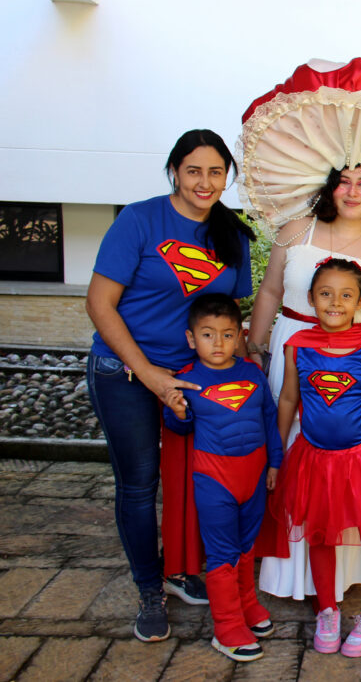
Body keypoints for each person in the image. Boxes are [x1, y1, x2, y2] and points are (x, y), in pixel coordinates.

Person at [85, 129, 256, 642]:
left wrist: (245, 374)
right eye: (193, 171)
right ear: (174, 172)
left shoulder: (234, 235)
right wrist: (151, 375)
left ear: (228, 177)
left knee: (193, 484)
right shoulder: (139, 219)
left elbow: (230, 317)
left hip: (195, 382)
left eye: (216, 172)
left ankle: (180, 570)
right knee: (140, 485)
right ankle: (148, 590)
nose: (205, 182)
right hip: (124, 373)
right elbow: (99, 304)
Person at [247, 164, 361, 602]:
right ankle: (294, 578)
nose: (353, 191)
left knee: (349, 459)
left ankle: (348, 578)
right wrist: (254, 348)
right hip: (293, 349)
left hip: (357, 358)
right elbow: (268, 293)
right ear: (329, 186)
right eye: (345, 180)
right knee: (297, 458)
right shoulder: (297, 229)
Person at [275, 258, 361, 657]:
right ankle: (328, 609)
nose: (335, 302)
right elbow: (287, 399)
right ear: (311, 299)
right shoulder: (297, 346)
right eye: (325, 294)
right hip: (314, 460)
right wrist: (275, 456)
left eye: (346, 295)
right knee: (319, 532)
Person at [163, 294, 282, 662]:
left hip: (255, 473)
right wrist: (178, 411)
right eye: (208, 334)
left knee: (247, 546)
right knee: (222, 552)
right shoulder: (186, 379)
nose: (218, 343)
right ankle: (226, 627)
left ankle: (246, 605)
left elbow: (269, 420)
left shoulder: (250, 372)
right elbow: (177, 427)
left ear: (240, 335)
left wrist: (275, 463)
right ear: (191, 338)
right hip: (215, 479)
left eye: (227, 335)